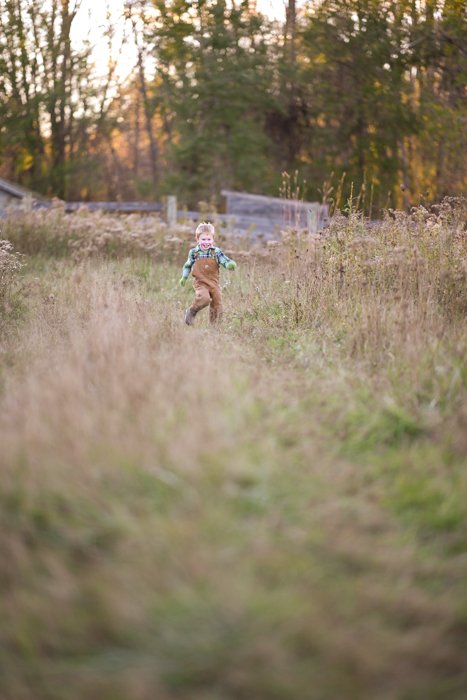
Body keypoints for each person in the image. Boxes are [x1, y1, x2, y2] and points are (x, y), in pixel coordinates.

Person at [179, 222, 237, 325]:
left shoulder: (216, 252)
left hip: (214, 283)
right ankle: (192, 311)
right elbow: (188, 265)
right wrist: (184, 277)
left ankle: (215, 326)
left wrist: (229, 265)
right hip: (200, 282)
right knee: (204, 298)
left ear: (213, 239)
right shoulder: (194, 252)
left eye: (209, 239)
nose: (206, 242)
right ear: (197, 239)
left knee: (217, 304)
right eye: (203, 239)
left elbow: (224, 260)